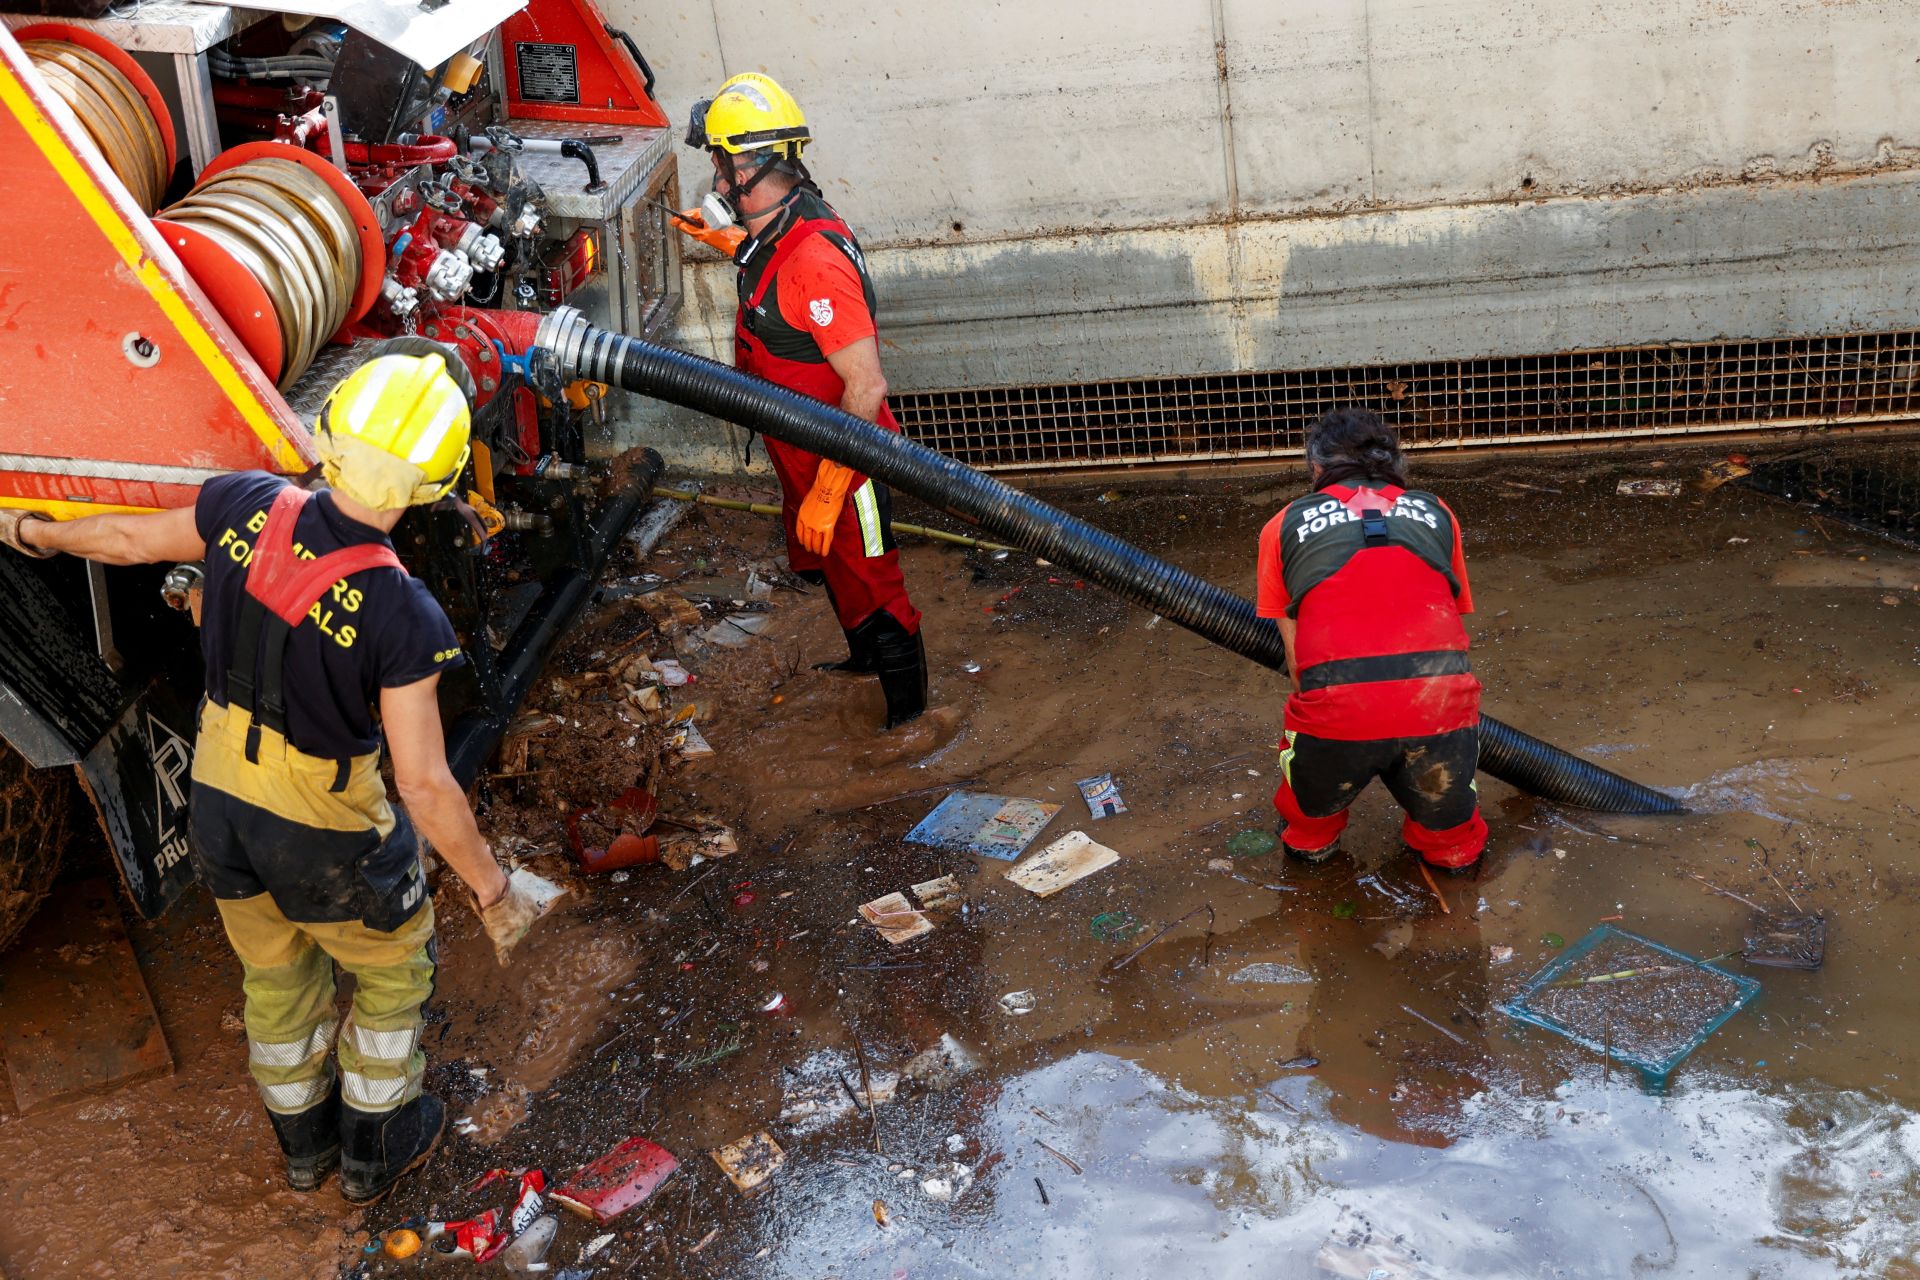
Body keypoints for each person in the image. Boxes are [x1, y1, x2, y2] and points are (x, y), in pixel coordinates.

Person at [0, 354, 557, 1202]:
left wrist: (36, 534)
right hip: (323, 824)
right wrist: (490, 887)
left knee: (275, 974)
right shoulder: (404, 612)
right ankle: (375, 1148)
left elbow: (121, 540)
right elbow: (424, 785)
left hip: (219, 799)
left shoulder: (245, 502)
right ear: (434, 486)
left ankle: (304, 1148)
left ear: (330, 435)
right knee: (390, 973)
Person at [679, 72, 927, 728]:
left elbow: (867, 385)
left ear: (748, 164)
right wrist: (727, 242)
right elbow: (778, 283)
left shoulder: (813, 259)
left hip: (848, 458)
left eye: (718, 162)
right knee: (832, 564)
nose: (714, 177)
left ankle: (910, 727)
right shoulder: (781, 222)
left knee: (874, 577)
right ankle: (863, 662)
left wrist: (829, 486)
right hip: (802, 447)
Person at [1255, 407, 1488, 874]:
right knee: (1453, 838)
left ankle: (1312, 846)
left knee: (1308, 822)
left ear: (1316, 468)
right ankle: (1452, 866)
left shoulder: (1281, 525)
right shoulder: (1438, 512)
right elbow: (1451, 621)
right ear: (1394, 464)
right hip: (1438, 707)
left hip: (1338, 715)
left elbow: (1298, 664)